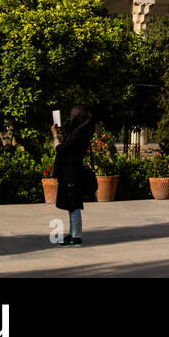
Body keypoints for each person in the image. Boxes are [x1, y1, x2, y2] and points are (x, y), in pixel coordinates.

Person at [51, 105, 95, 246]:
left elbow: (62, 149)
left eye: (74, 116)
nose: (71, 118)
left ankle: (76, 237)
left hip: (71, 173)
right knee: (71, 204)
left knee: (73, 204)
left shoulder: (79, 133)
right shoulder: (80, 131)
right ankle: (72, 234)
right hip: (71, 172)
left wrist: (55, 136)